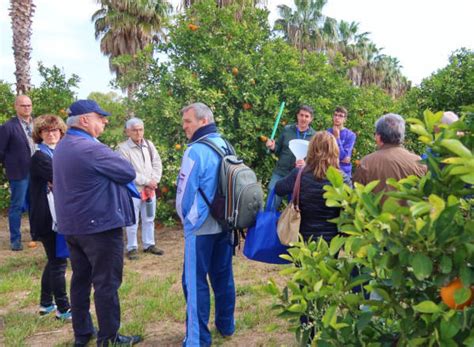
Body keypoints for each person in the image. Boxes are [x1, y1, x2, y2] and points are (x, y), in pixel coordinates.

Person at [53, 100, 142, 346]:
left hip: (74, 226)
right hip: (99, 227)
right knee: (106, 283)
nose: (104, 121)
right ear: (84, 120)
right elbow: (127, 172)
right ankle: (109, 338)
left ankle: (82, 334)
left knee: (80, 280)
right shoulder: (89, 148)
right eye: (99, 117)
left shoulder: (63, 145)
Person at [176, 102, 235, 346]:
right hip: (226, 223)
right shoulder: (226, 144)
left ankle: (197, 339)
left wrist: (186, 222)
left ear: (203, 121)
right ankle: (226, 325)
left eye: (188, 122)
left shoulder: (195, 150)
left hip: (201, 228)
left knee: (194, 281)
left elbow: (183, 193)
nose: (185, 127)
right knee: (223, 276)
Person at [29, 114, 71, 320]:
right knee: (59, 262)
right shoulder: (40, 157)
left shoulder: (57, 153)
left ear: (61, 132)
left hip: (56, 214)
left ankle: (46, 304)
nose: (51, 134)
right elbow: (62, 179)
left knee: (53, 260)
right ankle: (63, 309)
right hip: (48, 218)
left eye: (55, 130)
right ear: (39, 134)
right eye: (46, 131)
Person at [275, 131, 350, 242]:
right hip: (330, 239)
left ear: (311, 150)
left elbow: (279, 188)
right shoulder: (342, 179)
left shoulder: (299, 174)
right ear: (334, 151)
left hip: (302, 236)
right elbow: (349, 207)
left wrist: (296, 171)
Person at [117, 118, 164, 260]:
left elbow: (157, 163)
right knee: (132, 220)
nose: (138, 132)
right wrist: (147, 181)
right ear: (127, 132)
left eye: (140, 129)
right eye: (134, 130)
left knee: (149, 218)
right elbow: (127, 171)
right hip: (133, 191)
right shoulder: (122, 149)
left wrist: (154, 181)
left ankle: (149, 244)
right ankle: (132, 248)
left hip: (150, 190)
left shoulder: (149, 145)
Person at [353, 113, 427, 201]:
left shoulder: (366, 163)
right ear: (402, 136)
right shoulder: (418, 162)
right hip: (409, 214)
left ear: (378, 137)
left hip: (376, 214)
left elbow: (356, 198)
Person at [0, 95, 36, 251]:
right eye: (23, 105)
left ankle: (37, 234)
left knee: (36, 204)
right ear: (16, 107)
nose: (26, 108)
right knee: (17, 206)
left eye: (28, 105)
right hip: (19, 172)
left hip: (37, 171)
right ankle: (15, 240)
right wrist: (9, 165)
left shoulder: (37, 124)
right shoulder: (8, 126)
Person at [265, 105, 316, 208]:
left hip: (300, 176)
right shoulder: (287, 130)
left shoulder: (314, 136)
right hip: (280, 172)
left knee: (294, 207)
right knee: (272, 196)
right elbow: (277, 149)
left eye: (307, 116)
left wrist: (306, 164)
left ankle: (287, 224)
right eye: (301, 115)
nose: (303, 118)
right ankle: (267, 222)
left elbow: (315, 159)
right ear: (297, 115)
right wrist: (272, 147)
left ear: (311, 119)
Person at [327, 106, 356, 178]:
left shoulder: (351, 135)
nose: (337, 118)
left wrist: (337, 138)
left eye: (340, 116)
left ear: (345, 119)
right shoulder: (327, 133)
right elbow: (324, 154)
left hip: (344, 172)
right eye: (335, 115)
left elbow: (342, 156)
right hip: (328, 170)